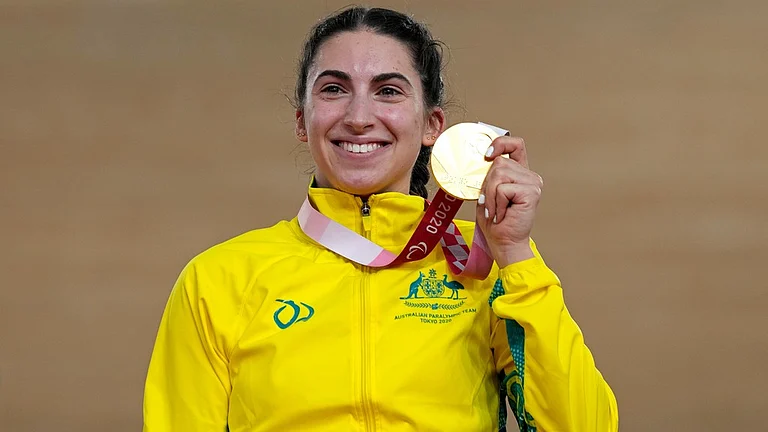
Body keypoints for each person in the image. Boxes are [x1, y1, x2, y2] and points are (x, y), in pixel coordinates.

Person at [142, 6, 618, 432]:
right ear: (301, 121)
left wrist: (516, 256)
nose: (358, 117)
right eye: (334, 89)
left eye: (388, 91)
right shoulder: (218, 278)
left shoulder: (487, 264)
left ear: (432, 125)